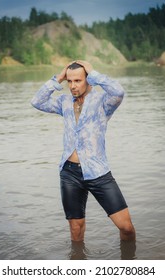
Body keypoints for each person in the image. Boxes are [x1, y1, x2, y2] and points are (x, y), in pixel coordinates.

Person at [31, 60, 136, 244]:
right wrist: (59, 77)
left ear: (88, 79)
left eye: (78, 80)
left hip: (98, 172)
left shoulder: (103, 101)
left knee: (126, 227)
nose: (72, 86)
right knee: (76, 229)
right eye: (69, 82)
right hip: (69, 173)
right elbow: (37, 101)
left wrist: (93, 73)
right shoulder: (64, 102)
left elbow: (118, 91)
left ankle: (129, 262)